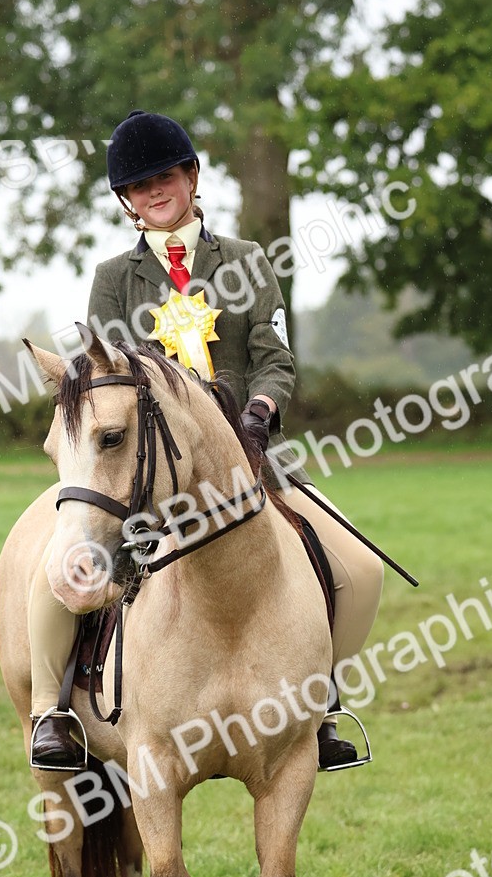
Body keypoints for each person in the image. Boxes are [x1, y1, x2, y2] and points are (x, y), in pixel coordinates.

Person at [28, 110, 383, 771]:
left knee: (359, 569)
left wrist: (259, 410)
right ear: (126, 203)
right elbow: (107, 368)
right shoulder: (114, 278)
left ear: (192, 175)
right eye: (137, 187)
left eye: (164, 176)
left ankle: (324, 708)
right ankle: (52, 713)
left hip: (249, 458)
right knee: (59, 567)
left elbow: (274, 355)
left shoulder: (247, 261)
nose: (153, 192)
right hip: (146, 469)